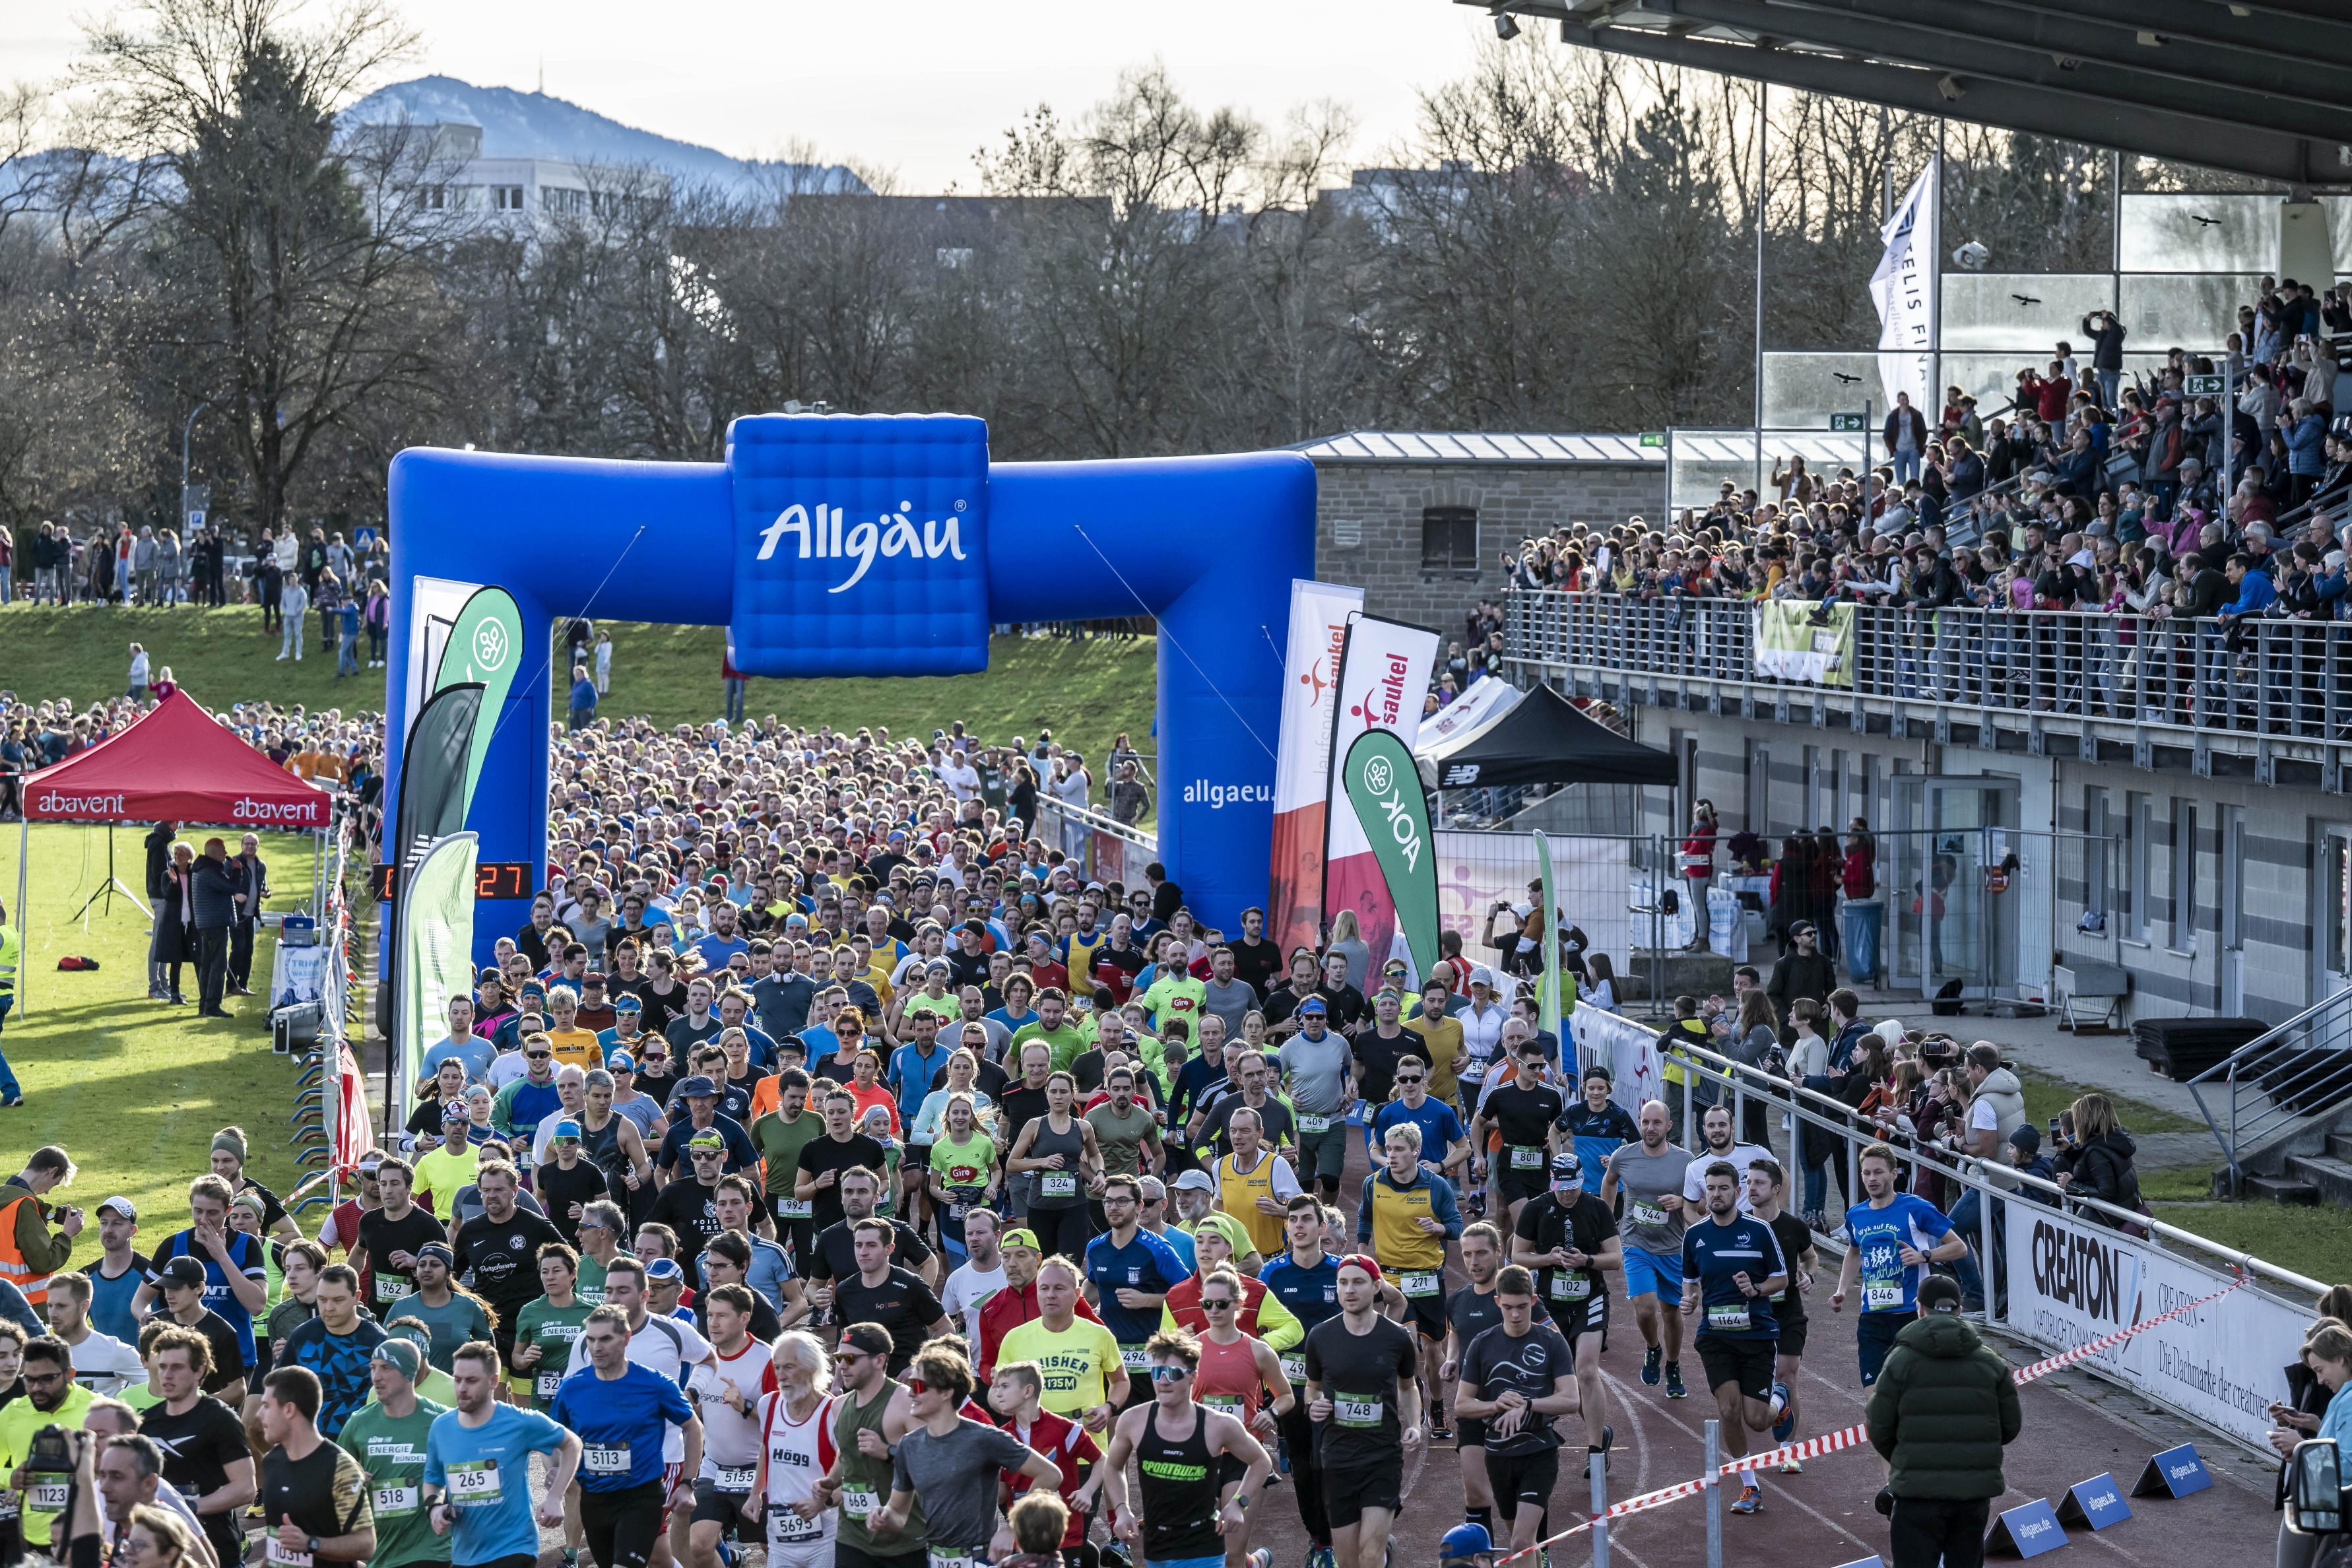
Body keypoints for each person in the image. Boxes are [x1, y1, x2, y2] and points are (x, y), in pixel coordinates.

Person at [1864, 1275, 2021, 1568]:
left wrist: (1905, 1459)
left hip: (1916, 1495)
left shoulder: (1899, 1360)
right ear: (1961, 1310)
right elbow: (2010, 1427)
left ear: (1919, 1309)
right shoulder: (1991, 1363)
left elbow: (1878, 1426)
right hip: (1973, 1494)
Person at [1097, 1328, 1272, 1568]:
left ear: (1193, 1376)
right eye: (1157, 1372)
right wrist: (1122, 1508)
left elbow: (1261, 1462)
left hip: (1203, 1547)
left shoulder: (1218, 1425)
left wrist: (1238, 1503)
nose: (1163, 1381)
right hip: (1157, 1544)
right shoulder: (1133, 1420)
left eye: (1172, 1373)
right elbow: (1113, 1467)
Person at [874, 1342, 1059, 1565]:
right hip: (934, 1558)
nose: (910, 1392)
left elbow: (1050, 1474)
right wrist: (884, 1517)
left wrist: (1012, 1527)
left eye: (919, 1386)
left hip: (980, 1558)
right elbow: (897, 1511)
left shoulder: (983, 1438)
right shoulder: (909, 1445)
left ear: (946, 1392)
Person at [550, 1306, 699, 1568]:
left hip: (641, 1497)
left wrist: (688, 1483)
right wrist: (554, 1469)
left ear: (627, 1338)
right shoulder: (573, 1387)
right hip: (595, 1500)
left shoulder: (655, 1384)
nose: (596, 1347)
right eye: (591, 1339)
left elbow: (693, 1427)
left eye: (606, 1339)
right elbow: (556, 1437)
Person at [1680, 1160, 1789, 1516]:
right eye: (1710, 1189)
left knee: (1757, 1420)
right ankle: (1750, 1486)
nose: (1716, 1194)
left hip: (1757, 1335)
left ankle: (1779, 1398)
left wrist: (1756, 1289)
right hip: (1715, 1335)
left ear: (1737, 1192)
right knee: (1728, 1409)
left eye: (1723, 1188)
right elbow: (1691, 1281)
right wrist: (1689, 1299)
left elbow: (1782, 1279)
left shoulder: (1758, 1231)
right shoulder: (1695, 1236)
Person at [1453, 1264, 1578, 1559]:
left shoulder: (1552, 1342)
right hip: (1498, 1454)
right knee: (1522, 1546)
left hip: (1539, 1452)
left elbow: (1572, 1400)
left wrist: (1527, 1403)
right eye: (1508, 1307)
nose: (1516, 1315)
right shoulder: (1482, 1344)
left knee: (1521, 1543)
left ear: (1533, 1301)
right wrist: (1495, 1405)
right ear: (1498, 1303)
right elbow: (1462, 1404)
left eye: (1523, 1307)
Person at [1303, 1257, 1419, 1568]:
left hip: (1382, 1458)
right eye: (1343, 1283)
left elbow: (1407, 1387)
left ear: (1377, 1287)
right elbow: (1312, 1387)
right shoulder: (1320, 1337)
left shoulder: (1397, 1337)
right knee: (1349, 1560)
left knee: (1368, 1556)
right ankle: (1385, 1555)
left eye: (1358, 1282)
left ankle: (1380, 1554)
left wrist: (1416, 1425)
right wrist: (1313, 1405)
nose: (1349, 1290)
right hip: (1337, 1458)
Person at [424, 1340, 581, 1568]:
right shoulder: (441, 1427)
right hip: (464, 1553)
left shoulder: (520, 1421)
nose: (462, 1388)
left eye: (472, 1380)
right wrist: (434, 1508)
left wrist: (556, 1495)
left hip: (514, 1546)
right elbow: (432, 1480)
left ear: (494, 1381)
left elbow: (572, 1443)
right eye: (457, 1380)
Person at [1508, 1153, 1619, 1460]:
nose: (1567, 1193)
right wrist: (1549, 1259)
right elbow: (1518, 1255)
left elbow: (1616, 1259)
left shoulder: (1597, 1208)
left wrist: (1588, 1260)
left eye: (1572, 1187)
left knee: (1585, 1371)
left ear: (1582, 1182)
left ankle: (1596, 1450)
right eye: (1562, 1187)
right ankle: (1599, 1431)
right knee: (1552, 1374)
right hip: (1548, 1303)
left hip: (1590, 1299)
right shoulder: (1536, 1209)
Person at [1831, 1143, 1969, 1388]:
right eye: (1866, 1173)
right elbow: (1854, 1252)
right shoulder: (1856, 1215)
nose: (1872, 1179)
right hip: (1872, 1319)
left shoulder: (1915, 1208)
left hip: (1912, 1316)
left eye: (1878, 1172)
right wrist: (1842, 1289)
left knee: (1915, 1394)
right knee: (1875, 1401)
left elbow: (1959, 1248)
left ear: (1894, 1174)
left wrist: (1925, 1256)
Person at [1597, 1101, 1694, 1400]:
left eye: (1656, 1123)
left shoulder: (1686, 1161)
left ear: (1668, 1126)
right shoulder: (1623, 1156)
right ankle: (1653, 1349)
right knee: (1644, 1309)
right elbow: (1610, 1181)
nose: (1650, 1128)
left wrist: (1682, 1202)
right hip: (1636, 1244)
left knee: (1670, 1312)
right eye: (1645, 1122)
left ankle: (1673, 1365)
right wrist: (1607, 1219)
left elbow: (1699, 1201)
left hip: (1674, 1248)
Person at [137, 1326, 255, 1568]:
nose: (167, 1375)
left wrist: (187, 1508)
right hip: (162, 1554)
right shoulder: (146, 1423)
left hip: (217, 1548)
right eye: (163, 1367)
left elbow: (245, 1489)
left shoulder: (220, 1419)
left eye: (177, 1367)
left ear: (199, 1370)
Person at [334, 1339, 449, 1568]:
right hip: (381, 1553)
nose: (376, 1377)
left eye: (386, 1368)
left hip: (433, 1550)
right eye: (373, 1368)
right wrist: (351, 1481)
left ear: (409, 1373)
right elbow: (335, 1483)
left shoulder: (441, 1421)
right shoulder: (358, 1423)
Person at [253, 1367, 377, 1565]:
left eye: (266, 1406)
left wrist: (310, 1544)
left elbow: (366, 1544)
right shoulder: (271, 1462)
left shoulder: (340, 1466)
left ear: (289, 1409)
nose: (259, 1414)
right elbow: (278, 1542)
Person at [1082, 1175, 1189, 1400]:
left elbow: (1189, 1294)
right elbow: (1092, 1285)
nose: (1113, 1207)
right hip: (1110, 1352)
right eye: (1108, 1201)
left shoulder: (1158, 1248)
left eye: (1122, 1201)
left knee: (1150, 1426)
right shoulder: (1096, 1247)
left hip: (1151, 1353)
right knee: (1111, 1422)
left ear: (1139, 1206)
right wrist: (1079, 1306)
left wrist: (1147, 1300)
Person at [996, 1256, 1127, 1430]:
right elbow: (997, 1392)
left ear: (1076, 1295)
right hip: (1034, 1450)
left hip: (1087, 1450)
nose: (1050, 1295)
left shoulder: (1100, 1335)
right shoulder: (1014, 1338)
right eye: (1044, 1288)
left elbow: (1121, 1381)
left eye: (1059, 1288)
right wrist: (1004, 1402)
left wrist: (1108, 1408)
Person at [1746, 1159, 1817, 1470]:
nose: (1751, 1188)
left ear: (1776, 1189)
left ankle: (1788, 1451)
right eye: (1748, 1182)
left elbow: (1811, 1259)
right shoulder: (1739, 1226)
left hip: (1788, 1314)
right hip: (1750, 1316)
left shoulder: (1794, 1227)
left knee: (1787, 1376)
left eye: (1759, 1183)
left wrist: (1808, 1276)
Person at [745, 1330, 836, 1568]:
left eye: (789, 1367)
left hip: (825, 1534)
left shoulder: (833, 1412)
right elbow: (768, 1449)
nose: (781, 1376)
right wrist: (756, 1493)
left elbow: (853, 1471)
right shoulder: (768, 1405)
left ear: (811, 1368)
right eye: (777, 1368)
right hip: (780, 1533)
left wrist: (822, 1503)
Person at [276, 1264, 387, 1438]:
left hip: (362, 1445)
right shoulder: (302, 1337)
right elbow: (279, 1391)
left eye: (338, 1300)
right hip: (311, 1445)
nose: (328, 1307)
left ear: (357, 1297)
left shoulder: (378, 1342)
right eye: (322, 1299)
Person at [1, 1145, 84, 1307]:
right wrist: (67, 1234)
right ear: (52, 1171)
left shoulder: (5, 1199)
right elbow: (44, 1262)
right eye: (54, 1184)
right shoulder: (24, 1205)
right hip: (22, 1308)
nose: (47, 1192)